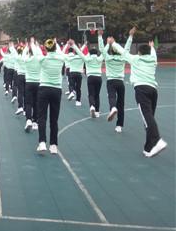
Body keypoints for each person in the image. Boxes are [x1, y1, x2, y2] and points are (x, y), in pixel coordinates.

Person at [108, 29, 166, 157]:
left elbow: (122, 51)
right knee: (149, 119)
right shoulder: (153, 60)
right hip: (153, 91)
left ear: (139, 52)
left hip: (142, 90)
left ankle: (157, 140)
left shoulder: (135, 59)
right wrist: (152, 47)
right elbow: (153, 54)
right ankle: (148, 148)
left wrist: (113, 43)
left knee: (148, 118)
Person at [34, 38, 69, 155]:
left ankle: (42, 142)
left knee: (42, 117)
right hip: (56, 90)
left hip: (44, 89)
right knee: (54, 119)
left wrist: (35, 44)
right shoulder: (61, 58)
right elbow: (60, 52)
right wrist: (57, 43)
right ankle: (53, 145)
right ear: (55, 47)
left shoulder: (43, 59)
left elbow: (36, 52)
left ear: (45, 48)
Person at [98, 29, 127, 132]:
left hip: (111, 81)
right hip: (120, 82)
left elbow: (102, 50)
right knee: (121, 103)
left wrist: (101, 37)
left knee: (111, 96)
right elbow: (125, 50)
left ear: (111, 51)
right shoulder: (123, 58)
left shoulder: (108, 58)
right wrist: (114, 43)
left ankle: (113, 107)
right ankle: (119, 126)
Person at [70, 39, 104, 118]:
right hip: (98, 77)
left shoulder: (87, 58)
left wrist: (74, 45)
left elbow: (79, 52)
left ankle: (92, 106)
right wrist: (109, 44)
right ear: (97, 53)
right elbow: (104, 53)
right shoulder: (99, 59)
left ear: (89, 53)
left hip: (90, 77)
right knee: (97, 95)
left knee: (91, 94)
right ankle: (97, 111)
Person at [23, 38, 42, 132]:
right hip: (38, 83)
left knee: (28, 103)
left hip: (29, 83)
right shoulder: (40, 59)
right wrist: (35, 45)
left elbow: (23, 54)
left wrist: (28, 45)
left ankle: (28, 120)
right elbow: (39, 53)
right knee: (36, 103)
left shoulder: (26, 59)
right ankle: (35, 121)